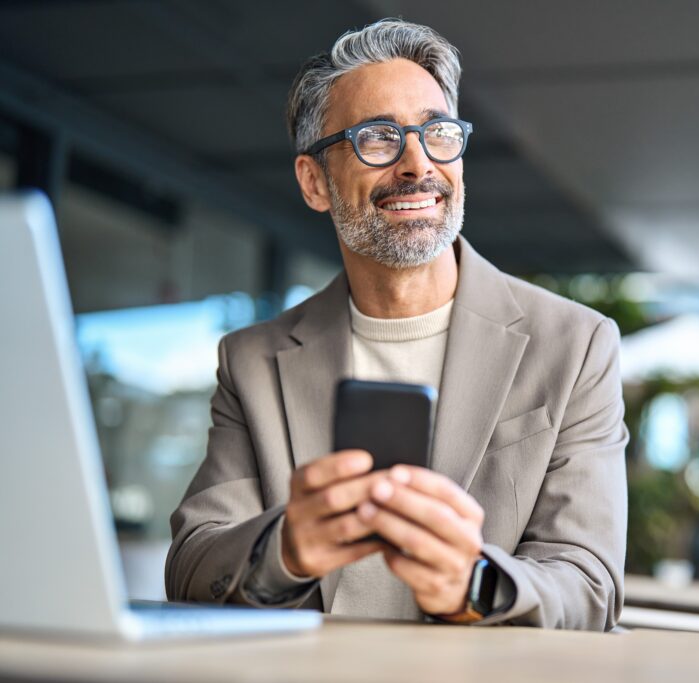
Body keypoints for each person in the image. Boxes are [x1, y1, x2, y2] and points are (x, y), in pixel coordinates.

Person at [165, 18, 628, 630]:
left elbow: (590, 583)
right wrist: (286, 549)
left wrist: (475, 584)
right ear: (314, 182)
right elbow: (193, 564)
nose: (418, 164)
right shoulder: (251, 361)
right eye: (378, 139)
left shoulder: (575, 345)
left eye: (437, 133)